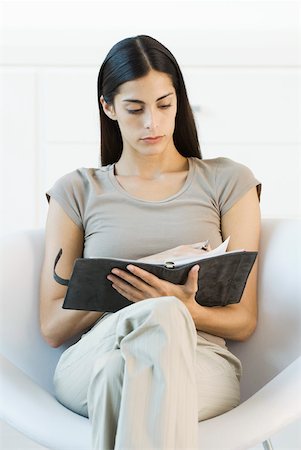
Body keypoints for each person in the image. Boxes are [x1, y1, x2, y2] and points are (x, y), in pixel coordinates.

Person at [40, 35, 261, 450]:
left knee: (121, 374)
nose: (152, 124)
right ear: (108, 107)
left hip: (198, 362)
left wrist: (184, 307)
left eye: (164, 104)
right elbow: (52, 327)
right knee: (151, 321)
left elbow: (244, 319)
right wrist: (126, 293)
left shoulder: (228, 181)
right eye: (135, 108)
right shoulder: (76, 190)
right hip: (96, 351)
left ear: (179, 101)